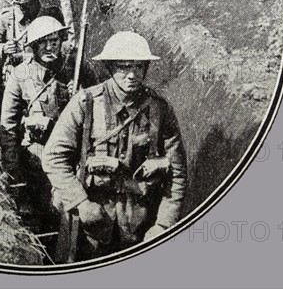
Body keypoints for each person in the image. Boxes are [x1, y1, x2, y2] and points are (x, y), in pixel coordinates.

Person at [42, 32, 187, 262]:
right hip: (89, 227)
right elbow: (53, 156)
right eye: (124, 67)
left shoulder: (160, 110)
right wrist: (80, 202)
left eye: (139, 67)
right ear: (110, 67)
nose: (132, 75)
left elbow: (177, 174)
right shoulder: (86, 103)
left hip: (139, 229)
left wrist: (163, 224)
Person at [0, 16, 71, 183]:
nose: (49, 48)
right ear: (33, 45)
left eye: (54, 41)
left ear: (61, 41)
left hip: (71, 151)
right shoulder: (20, 75)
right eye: (42, 43)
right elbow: (8, 126)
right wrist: (13, 172)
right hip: (38, 153)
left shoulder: (74, 69)